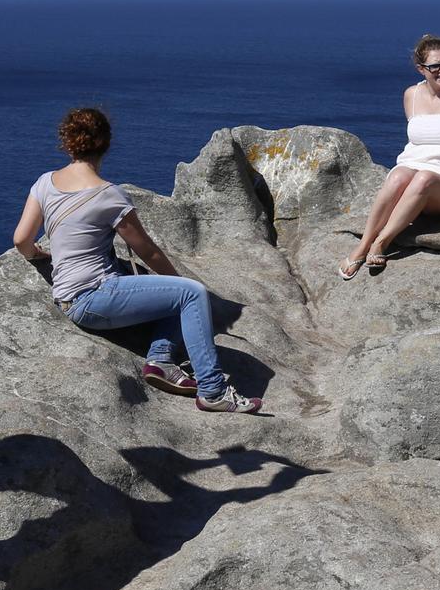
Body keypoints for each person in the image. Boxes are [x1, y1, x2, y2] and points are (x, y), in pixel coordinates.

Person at [13, 107, 263, 414]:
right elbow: (148, 251)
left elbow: (21, 240)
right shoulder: (108, 195)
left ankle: (160, 359)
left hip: (68, 298)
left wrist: (37, 254)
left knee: (172, 295)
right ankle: (213, 391)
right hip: (95, 297)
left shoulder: (44, 183)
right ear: (106, 143)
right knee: (189, 293)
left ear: (67, 143)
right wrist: (183, 285)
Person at [339, 35, 440, 279]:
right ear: (421, 69)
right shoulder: (411, 95)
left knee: (424, 178)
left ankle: (382, 242)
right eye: (434, 66)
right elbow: (418, 140)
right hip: (413, 170)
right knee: (397, 177)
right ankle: (363, 245)